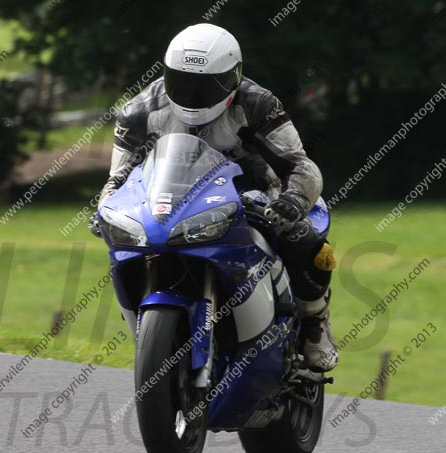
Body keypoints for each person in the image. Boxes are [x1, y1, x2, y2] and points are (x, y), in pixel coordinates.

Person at [88, 23, 338, 371]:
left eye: (208, 85)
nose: (193, 95)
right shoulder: (139, 111)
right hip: (174, 201)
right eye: (183, 82)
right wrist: (105, 208)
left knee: (304, 239)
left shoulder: (259, 104)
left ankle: (315, 325)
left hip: (257, 193)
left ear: (234, 77)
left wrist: (293, 200)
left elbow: (300, 166)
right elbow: (119, 177)